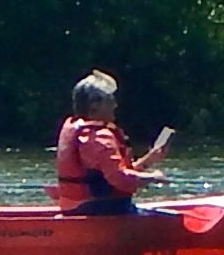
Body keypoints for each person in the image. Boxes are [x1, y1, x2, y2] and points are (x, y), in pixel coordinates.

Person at [52, 70, 170, 214]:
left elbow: (110, 175)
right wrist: (153, 177)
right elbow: (120, 179)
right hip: (95, 209)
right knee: (173, 220)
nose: (115, 105)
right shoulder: (98, 137)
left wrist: (148, 161)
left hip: (78, 207)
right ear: (94, 105)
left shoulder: (83, 130)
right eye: (110, 100)